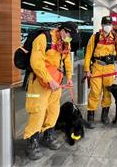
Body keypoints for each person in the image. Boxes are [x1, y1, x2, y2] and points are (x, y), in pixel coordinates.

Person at [24, 21, 77, 160]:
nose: (70, 38)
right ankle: (31, 141)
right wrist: (49, 80)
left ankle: (48, 135)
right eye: (69, 35)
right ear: (63, 30)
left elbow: (67, 61)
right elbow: (36, 62)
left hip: (56, 82)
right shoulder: (43, 39)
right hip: (39, 82)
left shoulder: (66, 42)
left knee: (53, 110)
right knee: (38, 110)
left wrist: (69, 77)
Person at [84, 16, 117, 125]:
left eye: (109, 24)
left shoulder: (115, 38)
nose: (107, 26)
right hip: (97, 67)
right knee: (95, 91)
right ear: (102, 25)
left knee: (108, 91)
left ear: (112, 25)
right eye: (105, 24)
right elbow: (88, 53)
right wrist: (87, 69)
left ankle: (105, 114)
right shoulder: (95, 37)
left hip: (110, 69)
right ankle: (91, 114)